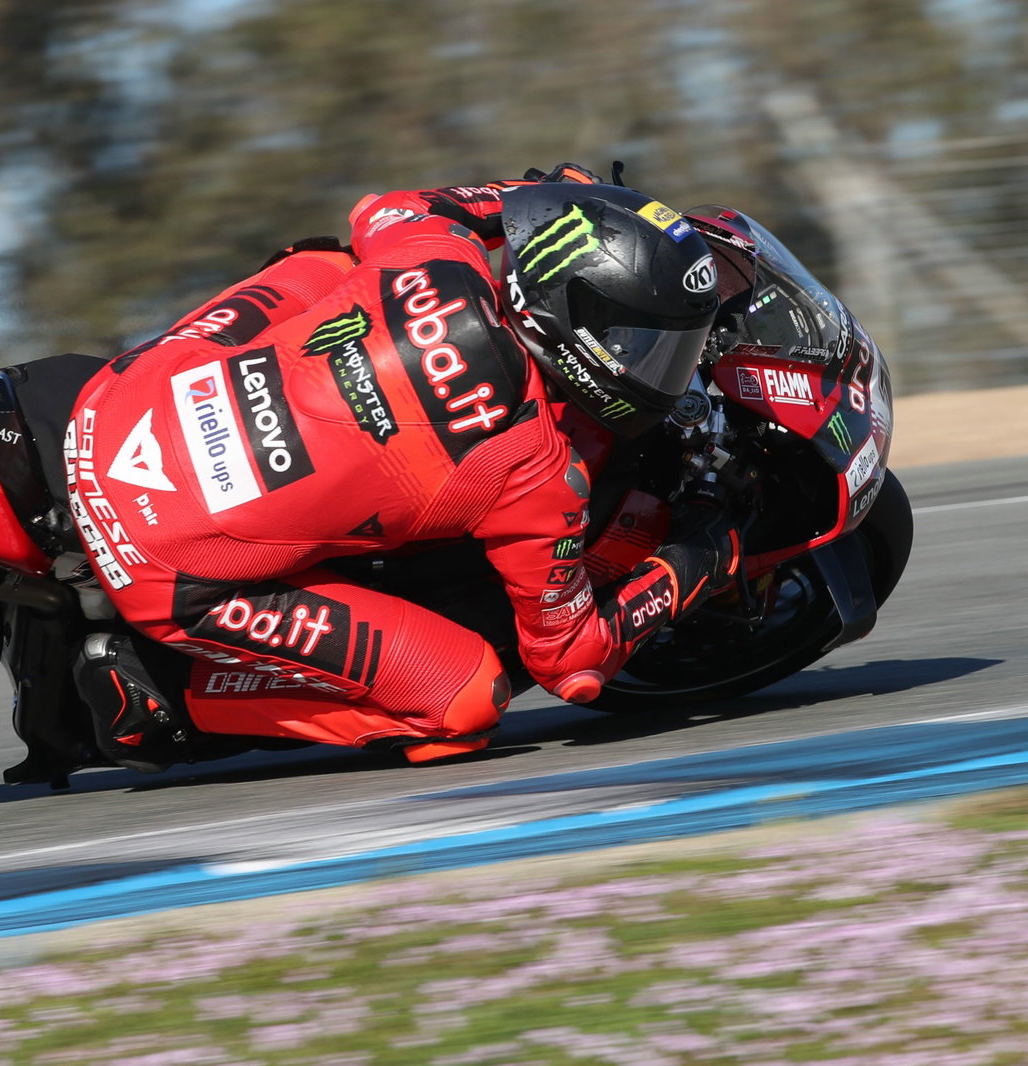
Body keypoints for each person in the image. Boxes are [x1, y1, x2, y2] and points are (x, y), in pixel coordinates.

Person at [63, 164, 740, 772]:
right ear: (578, 320)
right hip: (160, 563)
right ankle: (173, 697)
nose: (662, 371)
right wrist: (701, 557)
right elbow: (571, 662)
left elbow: (384, 208)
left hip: (111, 406)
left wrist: (540, 195)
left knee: (331, 261)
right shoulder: (536, 468)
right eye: (644, 345)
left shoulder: (441, 256)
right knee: (464, 700)